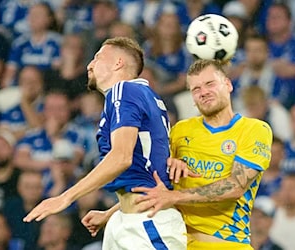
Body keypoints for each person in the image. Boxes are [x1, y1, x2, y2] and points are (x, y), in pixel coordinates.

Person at [23, 37, 187, 250]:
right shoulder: (142, 96)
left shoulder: (124, 91)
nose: (90, 64)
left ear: (118, 63)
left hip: (147, 224)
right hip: (127, 218)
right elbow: (144, 169)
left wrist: (65, 198)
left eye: (97, 57)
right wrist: (111, 212)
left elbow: (121, 157)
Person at [120, 59, 273, 249]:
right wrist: (114, 212)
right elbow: (153, 186)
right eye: (196, 89)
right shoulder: (180, 130)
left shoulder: (254, 129)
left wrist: (174, 196)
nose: (203, 92)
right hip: (176, 242)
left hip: (225, 244)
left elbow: (235, 186)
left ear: (228, 84)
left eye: (210, 84)